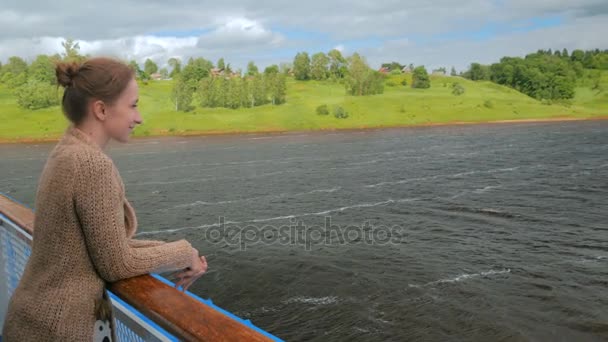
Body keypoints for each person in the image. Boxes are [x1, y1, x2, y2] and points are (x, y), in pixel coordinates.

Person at [1, 57, 207, 341]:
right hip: (57, 330)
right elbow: (116, 264)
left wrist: (182, 251)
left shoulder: (67, 152)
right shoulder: (91, 165)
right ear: (101, 109)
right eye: (133, 105)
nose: (139, 118)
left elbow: (102, 246)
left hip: (34, 319)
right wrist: (183, 253)